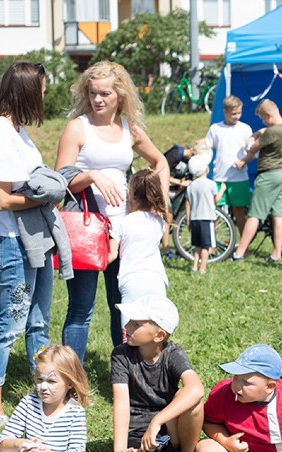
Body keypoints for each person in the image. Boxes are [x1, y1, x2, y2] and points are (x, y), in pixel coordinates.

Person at [55, 60, 169, 363]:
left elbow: (161, 162)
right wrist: (92, 175)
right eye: (92, 93)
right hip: (85, 231)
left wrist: (159, 205)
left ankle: (126, 375)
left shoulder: (129, 129)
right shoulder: (77, 127)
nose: (98, 99)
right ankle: (72, 378)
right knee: (81, 308)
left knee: (123, 306)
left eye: (105, 93)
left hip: (123, 231)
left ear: (120, 95)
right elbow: (59, 179)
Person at [0, 62, 53, 426]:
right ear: (26, 91)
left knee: (38, 320)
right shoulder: (1, 131)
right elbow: (2, 198)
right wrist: (44, 198)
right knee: (11, 323)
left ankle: (45, 392)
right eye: (42, 89)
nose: (45, 95)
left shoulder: (17, 130)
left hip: (34, 236)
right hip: (12, 241)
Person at [111, 295, 205, 452]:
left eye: (136, 323)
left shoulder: (173, 354)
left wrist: (157, 421)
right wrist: (120, 450)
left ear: (159, 336)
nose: (127, 326)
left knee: (193, 401)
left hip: (171, 430)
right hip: (136, 435)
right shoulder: (121, 355)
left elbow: (196, 389)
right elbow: (121, 403)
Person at [231, 99, 282, 262]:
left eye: (263, 119)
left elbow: (253, 148)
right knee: (278, 216)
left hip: (268, 175)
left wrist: (253, 138)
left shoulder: (271, 133)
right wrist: (260, 131)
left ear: (268, 115)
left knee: (254, 215)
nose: (263, 122)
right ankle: (276, 253)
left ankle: (239, 253)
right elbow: (266, 131)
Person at [108, 168, 170, 323]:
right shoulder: (159, 221)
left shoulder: (121, 223)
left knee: (130, 332)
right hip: (157, 280)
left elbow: (112, 255)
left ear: (130, 195)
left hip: (132, 281)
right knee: (155, 327)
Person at [206, 95, 253, 234]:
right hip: (219, 176)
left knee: (239, 210)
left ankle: (244, 245)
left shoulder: (245, 129)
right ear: (225, 112)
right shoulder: (215, 129)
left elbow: (252, 152)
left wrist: (244, 161)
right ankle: (214, 245)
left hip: (239, 178)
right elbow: (208, 148)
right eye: (234, 114)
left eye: (239, 113)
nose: (237, 116)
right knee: (216, 211)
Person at [185, 153, 224, 275]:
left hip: (195, 219)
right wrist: (222, 189)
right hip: (207, 219)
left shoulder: (190, 186)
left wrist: (188, 220)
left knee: (197, 245)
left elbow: (188, 204)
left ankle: (194, 266)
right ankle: (203, 268)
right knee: (206, 246)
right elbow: (215, 200)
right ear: (206, 169)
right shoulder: (211, 184)